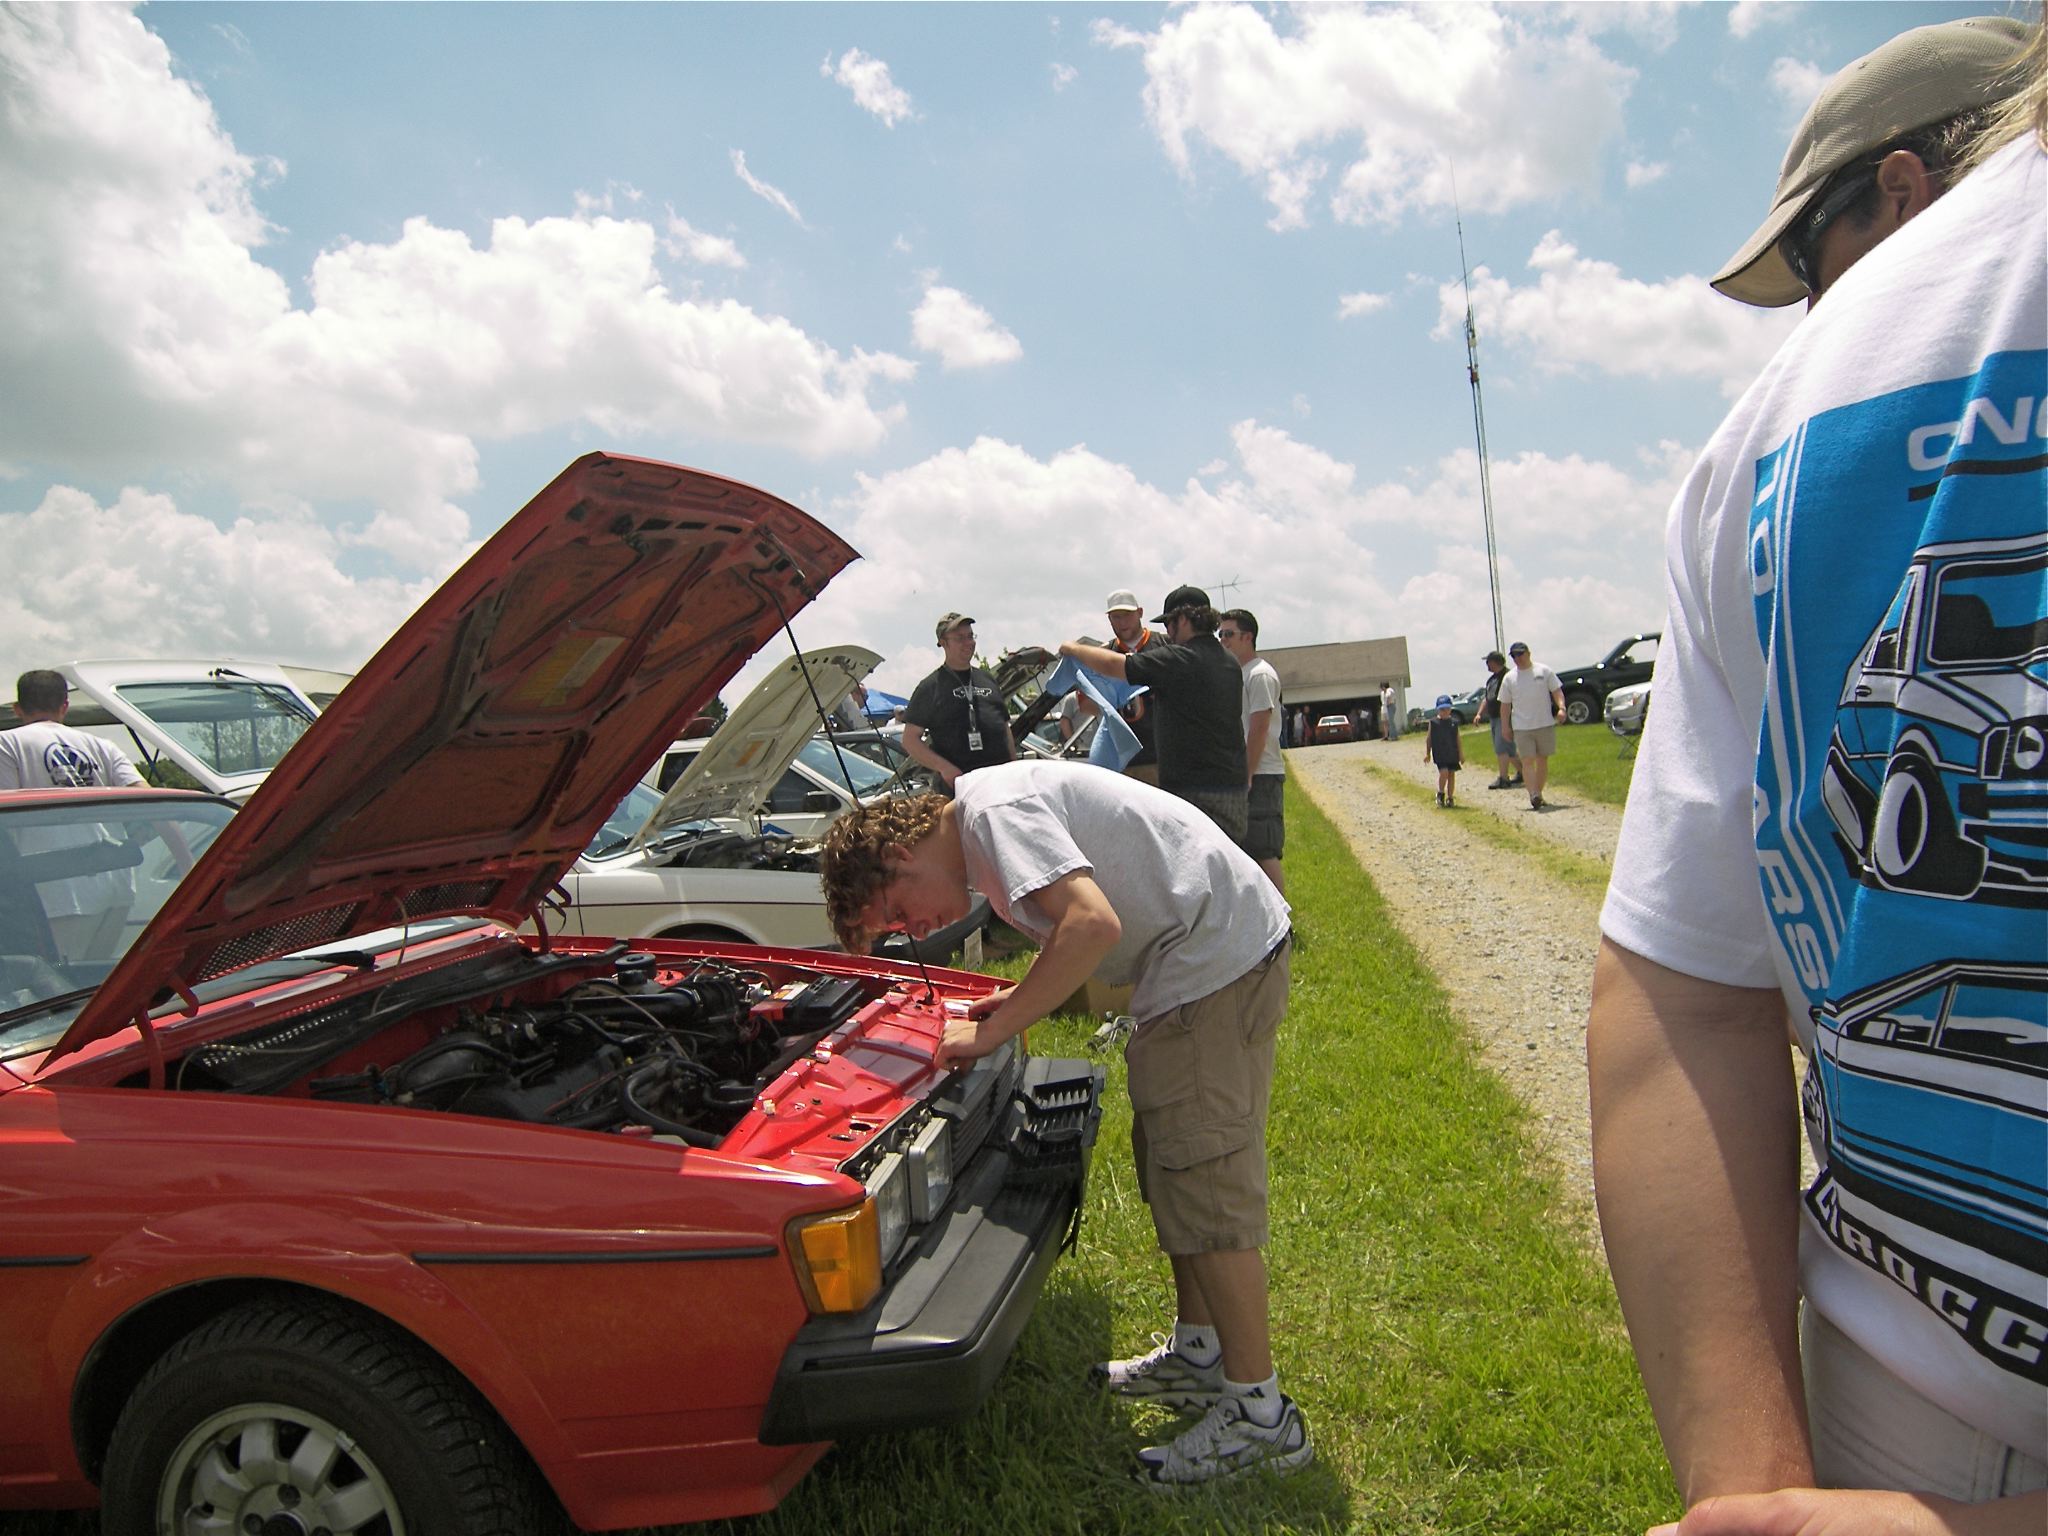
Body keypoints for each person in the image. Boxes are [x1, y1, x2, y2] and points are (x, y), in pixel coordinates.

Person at [1591, 19, 2043, 1536]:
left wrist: (1756, 1497)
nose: (1805, 314)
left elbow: (1683, 986)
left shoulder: (1764, 437)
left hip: (1913, 1378)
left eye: (1808, 263)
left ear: (1900, 187)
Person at [818, 763, 1309, 1486]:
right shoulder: (985, 826)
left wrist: (997, 1028)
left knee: (1207, 1187)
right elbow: (1079, 929)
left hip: (1216, 962)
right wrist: (1018, 996)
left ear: (899, 854)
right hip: (1192, 967)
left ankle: (1261, 1417)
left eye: (895, 913)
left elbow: (1091, 924)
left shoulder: (992, 816)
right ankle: (1200, 1354)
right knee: (1175, 1172)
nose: (912, 933)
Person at [1061, 586, 1248, 844]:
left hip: (1195, 788)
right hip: (1232, 785)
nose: (1168, 631)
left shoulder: (1180, 659)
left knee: (1191, 859)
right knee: (1229, 858)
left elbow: (1117, 665)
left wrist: (1074, 649)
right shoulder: (1228, 661)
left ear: (1183, 619)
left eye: (1169, 622)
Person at [0, 668, 153, 957]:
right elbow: (150, 801)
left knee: (51, 979)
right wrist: (189, 865)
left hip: (52, 891)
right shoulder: (103, 746)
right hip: (116, 885)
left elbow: (5, 820)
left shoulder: (6, 743)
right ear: (65, 706)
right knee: (96, 979)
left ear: (17, 709)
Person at [900, 613, 1015, 793]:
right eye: (960, 638)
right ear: (943, 642)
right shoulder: (930, 686)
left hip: (998, 783)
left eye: (970, 636)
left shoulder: (987, 679)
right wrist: (944, 768)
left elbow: (1004, 727)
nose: (968, 642)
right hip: (959, 787)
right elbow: (910, 740)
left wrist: (1013, 767)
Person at [1219, 609, 1285, 892]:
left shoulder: (1260, 674)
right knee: (1244, 849)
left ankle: (1281, 915)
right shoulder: (1238, 674)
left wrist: (1247, 774)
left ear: (1248, 637)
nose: (1223, 640)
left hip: (1261, 773)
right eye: (1220, 634)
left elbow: (1259, 728)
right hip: (1242, 773)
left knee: (1263, 848)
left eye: (1229, 634)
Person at [1103, 588, 1164, 784]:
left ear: (1140, 613)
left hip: (1163, 758)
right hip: (1122, 762)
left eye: (1127, 615)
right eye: (1116, 617)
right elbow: (1088, 706)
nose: (1122, 622)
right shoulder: (1104, 655)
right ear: (1109, 619)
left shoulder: (1165, 645)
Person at [1496, 642, 1562, 811]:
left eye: (1520, 654)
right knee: (1527, 760)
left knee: (1542, 759)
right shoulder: (1509, 678)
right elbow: (1505, 705)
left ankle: (1538, 793)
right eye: (1514, 656)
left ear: (1528, 653)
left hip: (1544, 722)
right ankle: (1533, 794)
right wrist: (1505, 727)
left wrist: (1561, 708)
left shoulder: (1544, 671)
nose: (1517, 658)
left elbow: (1556, 691)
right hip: (1522, 726)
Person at [1475, 650, 1522, 790]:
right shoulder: (1491, 680)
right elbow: (1487, 698)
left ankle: (1503, 778)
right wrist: (1479, 713)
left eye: (1488, 662)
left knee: (1501, 748)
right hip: (1494, 717)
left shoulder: (1508, 676)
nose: (1487, 665)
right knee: (1509, 750)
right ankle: (1524, 773)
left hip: (1505, 716)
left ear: (1495, 662)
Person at [1423, 695, 1463, 808]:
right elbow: (1429, 739)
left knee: (1451, 774)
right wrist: (1427, 753)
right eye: (1442, 709)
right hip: (1440, 753)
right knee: (1444, 772)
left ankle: (1450, 797)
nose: (1444, 712)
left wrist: (1461, 754)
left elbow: (1458, 739)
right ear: (1438, 710)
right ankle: (1440, 793)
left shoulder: (1454, 723)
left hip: (1452, 753)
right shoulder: (1434, 723)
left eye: (1447, 709)